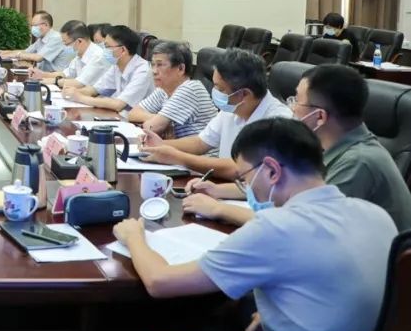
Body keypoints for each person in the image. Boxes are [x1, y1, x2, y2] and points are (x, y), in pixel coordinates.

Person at [112, 118, 397, 331]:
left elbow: (160, 283)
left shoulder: (275, 227)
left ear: (272, 170)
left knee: (140, 326)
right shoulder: (377, 215)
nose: (246, 188)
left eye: (244, 178)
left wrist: (134, 236)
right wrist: (279, 315)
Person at [184, 64, 411, 231]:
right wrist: (218, 191)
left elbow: (299, 225)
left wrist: (219, 209)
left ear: (320, 116)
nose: (290, 108)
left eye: (296, 101)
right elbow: (284, 187)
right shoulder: (325, 145)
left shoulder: (358, 162)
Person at [141, 48, 292, 179]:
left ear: (244, 94)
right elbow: (201, 143)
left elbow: (241, 168)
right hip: (225, 186)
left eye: (220, 89)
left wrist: (177, 157)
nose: (215, 92)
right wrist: (160, 145)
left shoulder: (278, 122)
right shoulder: (233, 107)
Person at [128, 40, 217, 138]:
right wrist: (157, 118)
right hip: (176, 146)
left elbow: (151, 127)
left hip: (198, 148)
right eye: (152, 65)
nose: (154, 71)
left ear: (180, 69)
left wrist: (157, 121)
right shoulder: (163, 90)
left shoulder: (190, 89)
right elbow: (132, 114)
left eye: (160, 65)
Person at [69, 24, 152, 111]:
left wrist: (80, 98)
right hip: (120, 115)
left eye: (107, 47)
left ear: (122, 50)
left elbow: (118, 104)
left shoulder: (143, 70)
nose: (104, 51)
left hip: (137, 118)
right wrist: (73, 92)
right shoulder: (116, 66)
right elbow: (94, 90)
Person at [28, 23, 108, 90]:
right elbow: (66, 74)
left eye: (66, 44)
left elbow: (79, 83)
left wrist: (50, 81)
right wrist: (42, 74)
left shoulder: (97, 56)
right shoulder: (79, 55)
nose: (64, 47)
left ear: (79, 41)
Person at [0, 11, 74, 72]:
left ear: (45, 25)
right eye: (32, 26)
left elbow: (38, 57)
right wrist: (4, 52)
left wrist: (15, 55)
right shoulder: (41, 39)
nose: (32, 28)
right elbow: (26, 52)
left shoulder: (56, 38)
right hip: (43, 75)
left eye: (35, 25)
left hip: (56, 78)